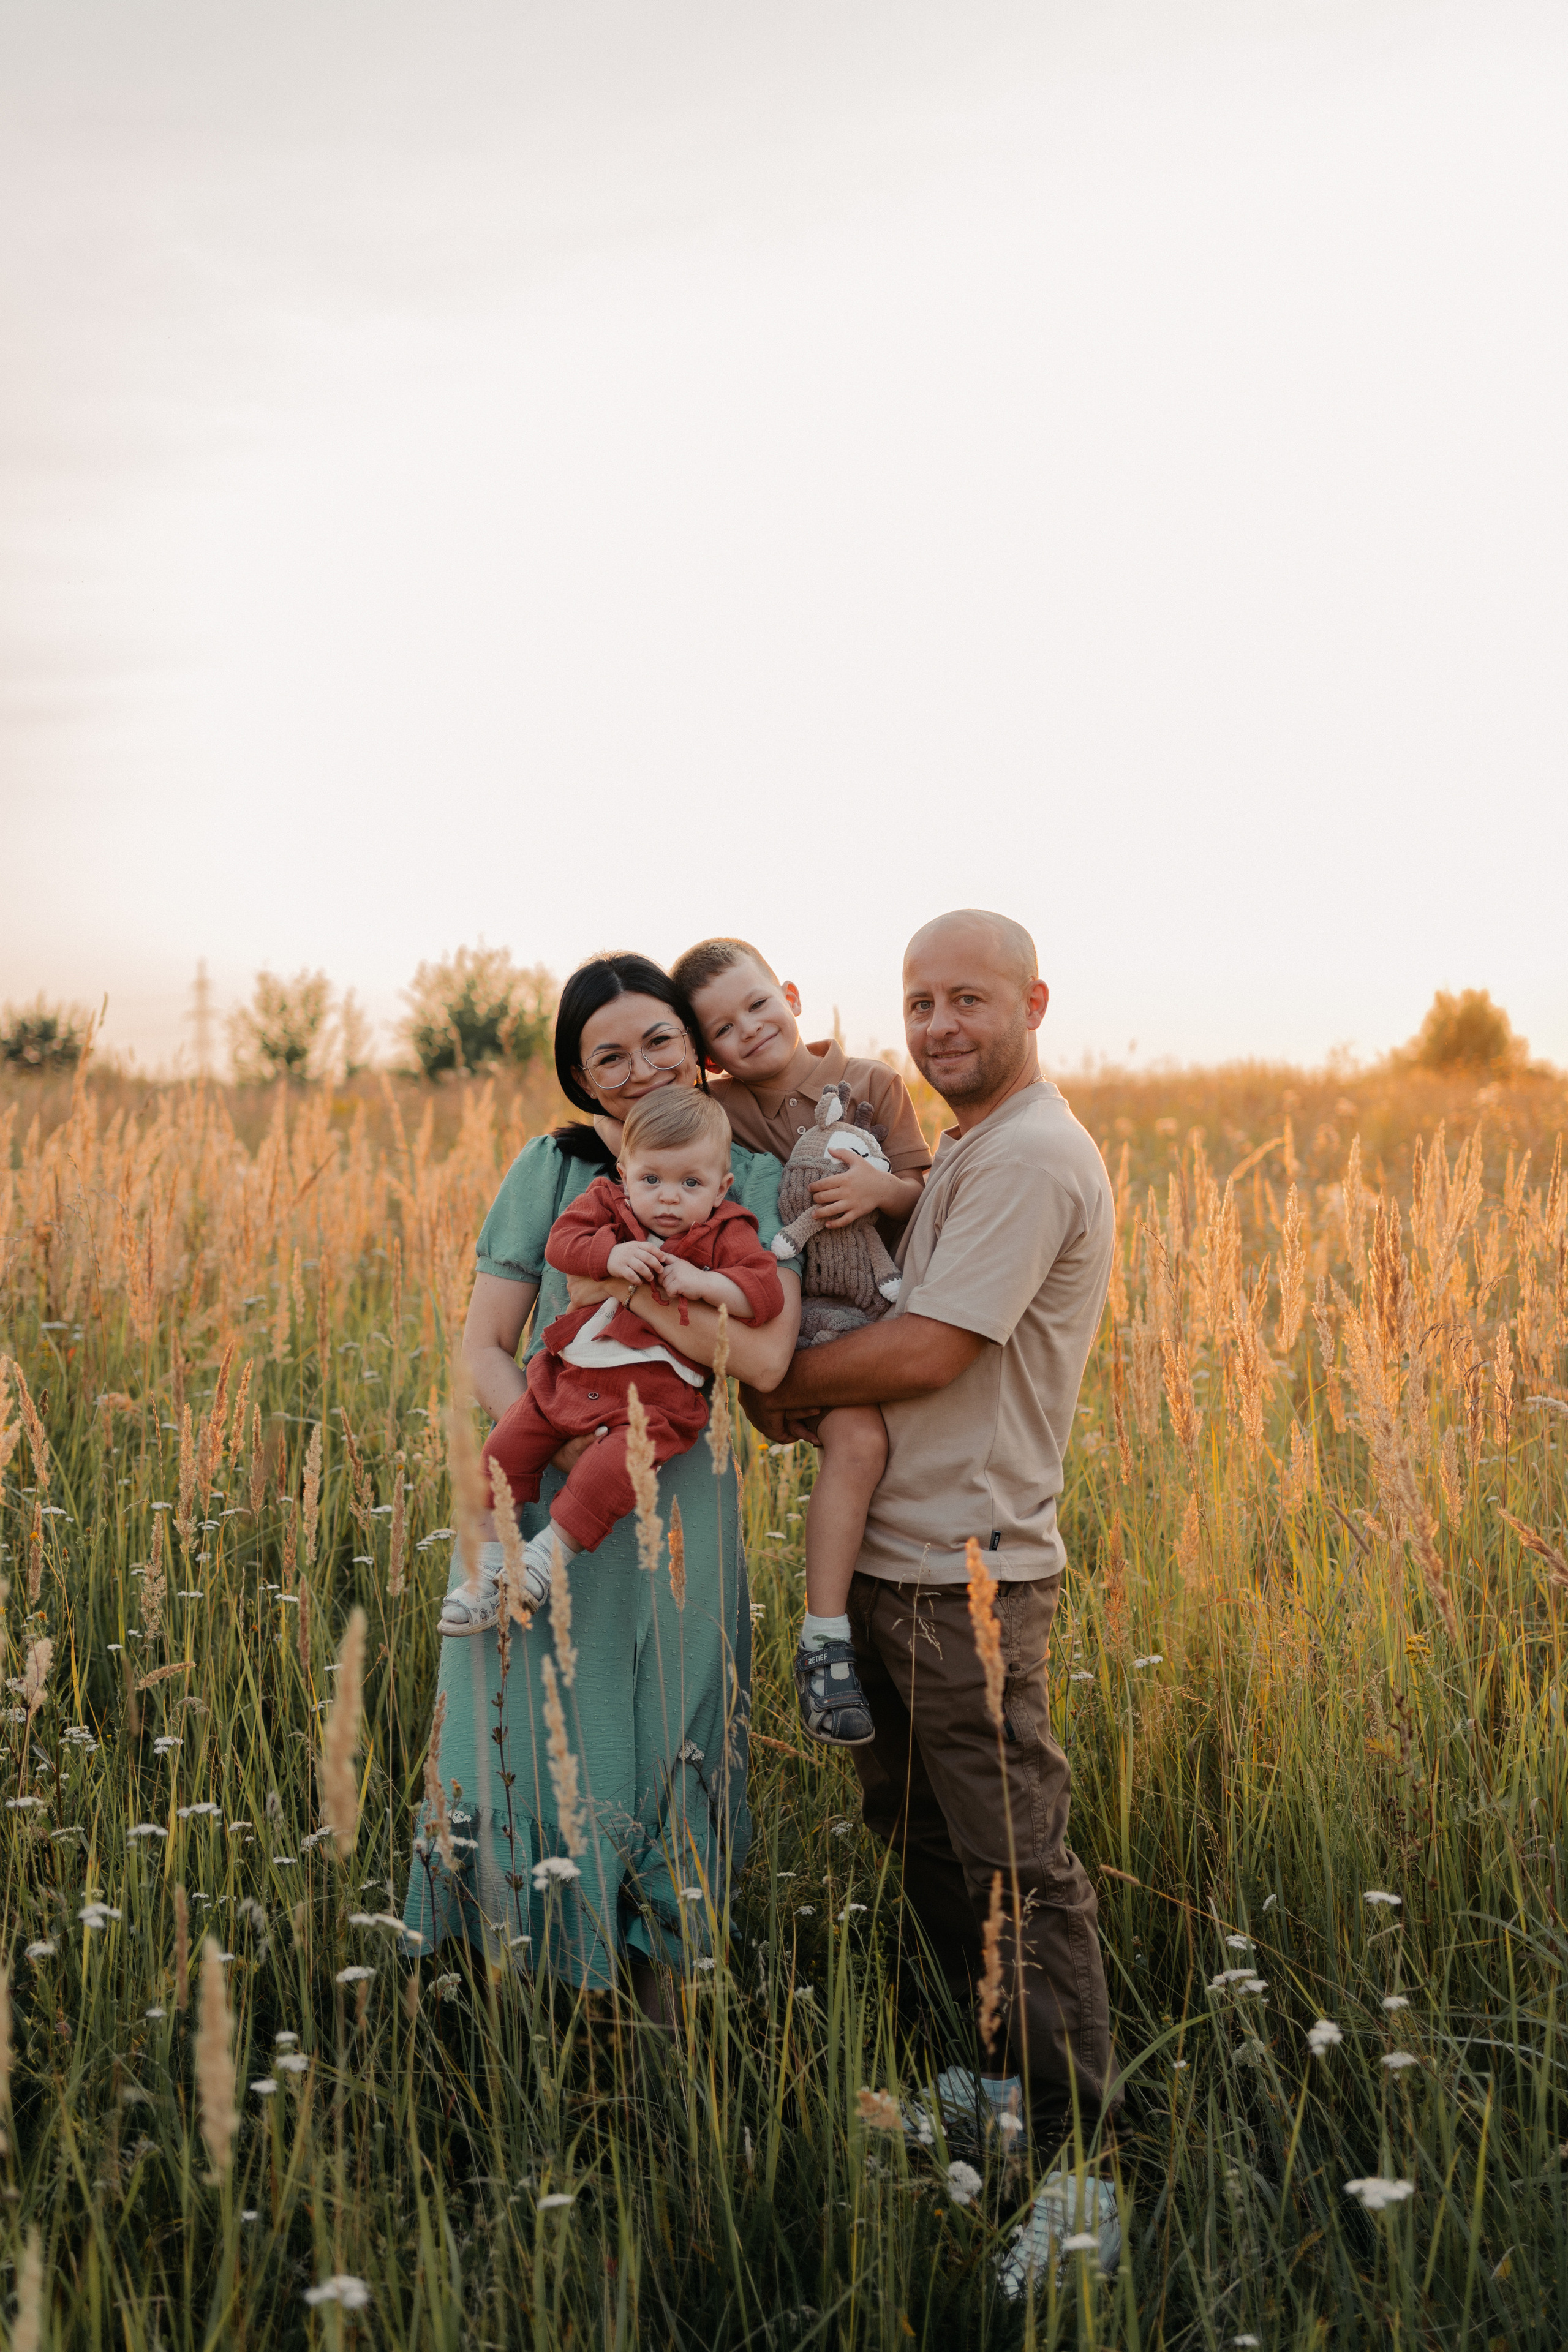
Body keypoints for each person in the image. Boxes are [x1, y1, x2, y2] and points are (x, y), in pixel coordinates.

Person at [740, 909, 1121, 2269]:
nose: (940, 1024)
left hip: (970, 1567)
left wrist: (772, 1385)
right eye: (918, 1002)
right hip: (895, 1561)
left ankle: (1082, 2178)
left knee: (1016, 1864)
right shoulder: (959, 1150)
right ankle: (997, 2092)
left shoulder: (1027, 1158)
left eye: (967, 998)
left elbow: (927, 1352)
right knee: (922, 1842)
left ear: (1030, 998)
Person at [402, 952, 802, 2019]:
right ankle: (525, 2023)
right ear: (581, 1079)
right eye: (607, 1056)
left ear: (697, 1044)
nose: (637, 1070)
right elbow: (484, 1344)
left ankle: (670, 2042)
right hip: (543, 1491)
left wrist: (641, 1289)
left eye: (658, 1041)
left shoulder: (755, 1175)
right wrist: (562, 1430)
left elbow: (760, 1362)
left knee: (673, 1725)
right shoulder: (553, 1168)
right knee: (532, 1739)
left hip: (680, 1491)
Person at [671, 936, 932, 1747]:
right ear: (706, 1054)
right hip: (792, 1319)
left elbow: (926, 1195)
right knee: (857, 1441)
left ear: (789, 995)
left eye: (757, 1004)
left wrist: (881, 1188)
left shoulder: (874, 1082)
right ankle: (824, 1644)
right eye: (722, 1028)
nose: (748, 1029)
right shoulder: (720, 1116)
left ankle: (894, 1616)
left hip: (878, 1300)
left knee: (904, 1448)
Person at [438, 1087, 785, 1632]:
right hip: (568, 1378)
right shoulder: (607, 1204)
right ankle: (484, 1570)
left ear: (722, 1189)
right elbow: (563, 1245)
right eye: (652, 1180)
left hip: (654, 1400)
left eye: (690, 1184)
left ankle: (546, 1557)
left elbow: (764, 1295)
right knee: (499, 1454)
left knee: (609, 1471)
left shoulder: (728, 1231)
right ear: (625, 1172)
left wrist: (706, 1282)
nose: (668, 1198)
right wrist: (610, 1255)